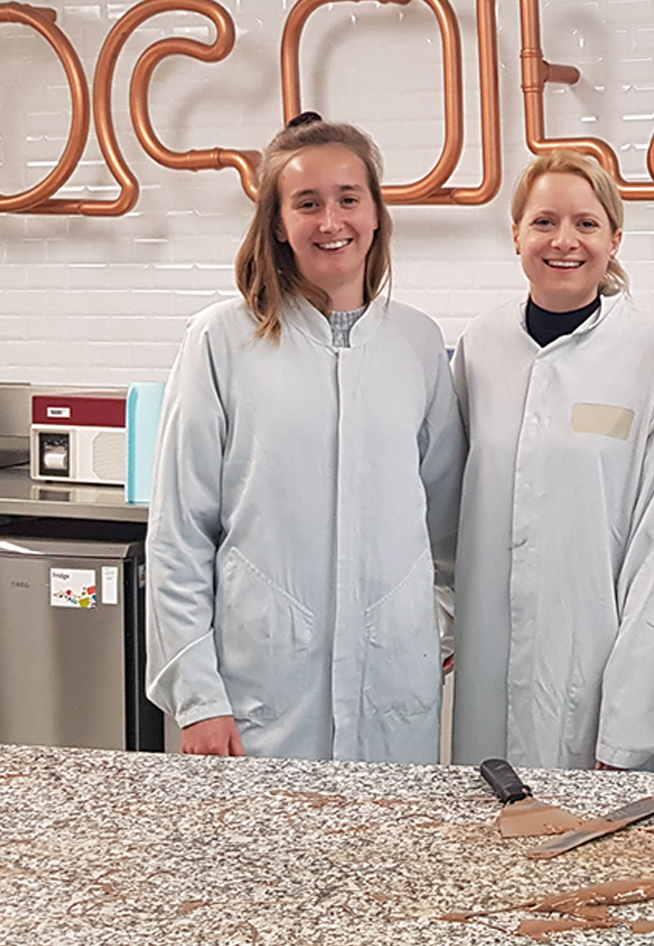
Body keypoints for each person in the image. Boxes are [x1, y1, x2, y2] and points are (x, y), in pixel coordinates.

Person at [145, 113, 464, 764]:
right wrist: (200, 699)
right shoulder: (222, 341)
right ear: (278, 224)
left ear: (376, 214)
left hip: (393, 694)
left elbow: (448, 519)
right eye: (308, 204)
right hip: (259, 701)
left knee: (390, 860)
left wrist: (430, 624)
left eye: (349, 199)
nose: (331, 222)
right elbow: (179, 536)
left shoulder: (418, 344)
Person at [450, 150, 654, 770]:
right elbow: (444, 502)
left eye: (586, 224)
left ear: (615, 238)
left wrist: (630, 721)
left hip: (600, 678)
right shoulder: (480, 348)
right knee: (489, 851)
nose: (564, 241)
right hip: (490, 670)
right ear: (515, 234)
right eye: (544, 222)